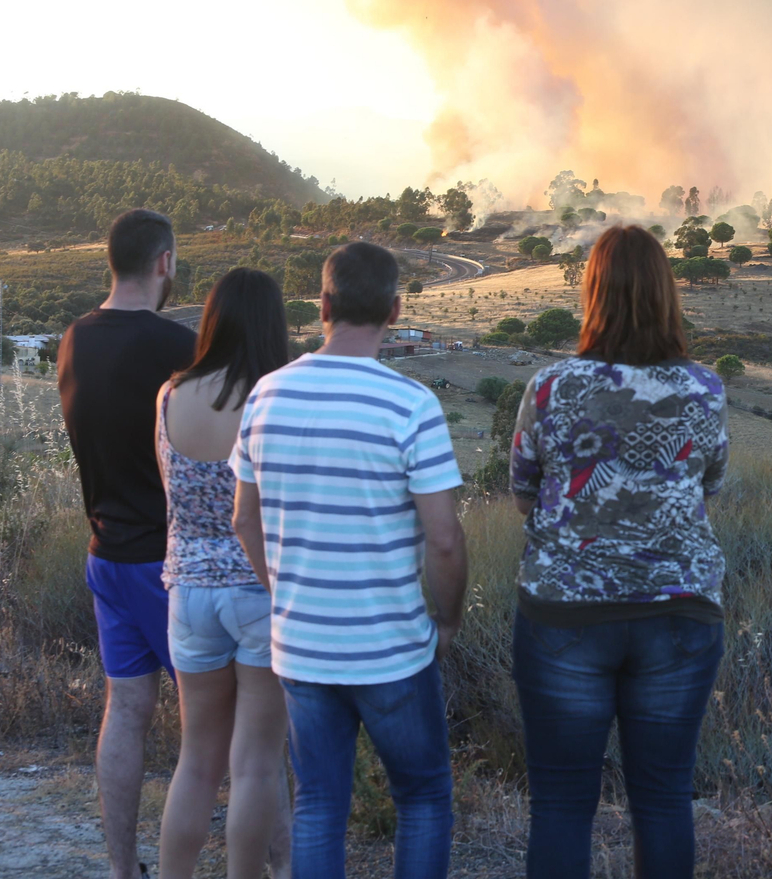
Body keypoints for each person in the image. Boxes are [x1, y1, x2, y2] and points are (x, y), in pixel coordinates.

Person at [231, 241, 468, 879]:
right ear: (395, 310)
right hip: (390, 647)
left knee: (318, 805)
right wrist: (445, 623)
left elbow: (243, 519)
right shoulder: (411, 406)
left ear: (324, 303)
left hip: (301, 646)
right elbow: (444, 540)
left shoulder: (266, 396)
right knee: (421, 796)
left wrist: (282, 593)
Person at [508, 224, 730, 879]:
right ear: (667, 296)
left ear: (592, 294)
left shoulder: (550, 387)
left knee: (560, 805)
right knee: (663, 801)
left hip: (565, 614)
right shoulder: (705, 390)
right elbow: (709, 484)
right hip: (681, 610)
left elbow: (524, 487)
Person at [58, 208, 196, 879]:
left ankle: (123, 870)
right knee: (222, 728)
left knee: (126, 710)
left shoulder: (72, 339)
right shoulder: (175, 347)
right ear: (164, 262)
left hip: (104, 554)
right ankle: (280, 862)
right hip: (164, 564)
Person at [156, 269, 293, 879]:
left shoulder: (169, 395)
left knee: (196, 761)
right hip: (260, 589)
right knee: (257, 762)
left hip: (188, 590)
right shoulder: (274, 399)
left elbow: (172, 495)